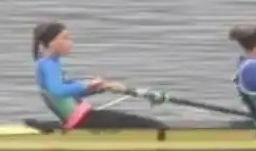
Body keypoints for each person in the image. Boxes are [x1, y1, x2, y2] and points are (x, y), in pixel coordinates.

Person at [32, 22, 164, 131]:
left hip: (84, 117)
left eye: (70, 38)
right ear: (50, 43)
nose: (70, 42)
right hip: (82, 120)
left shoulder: (52, 63)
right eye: (65, 38)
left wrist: (98, 88)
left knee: (137, 121)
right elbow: (58, 91)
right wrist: (86, 84)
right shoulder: (47, 64)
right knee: (148, 124)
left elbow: (67, 94)